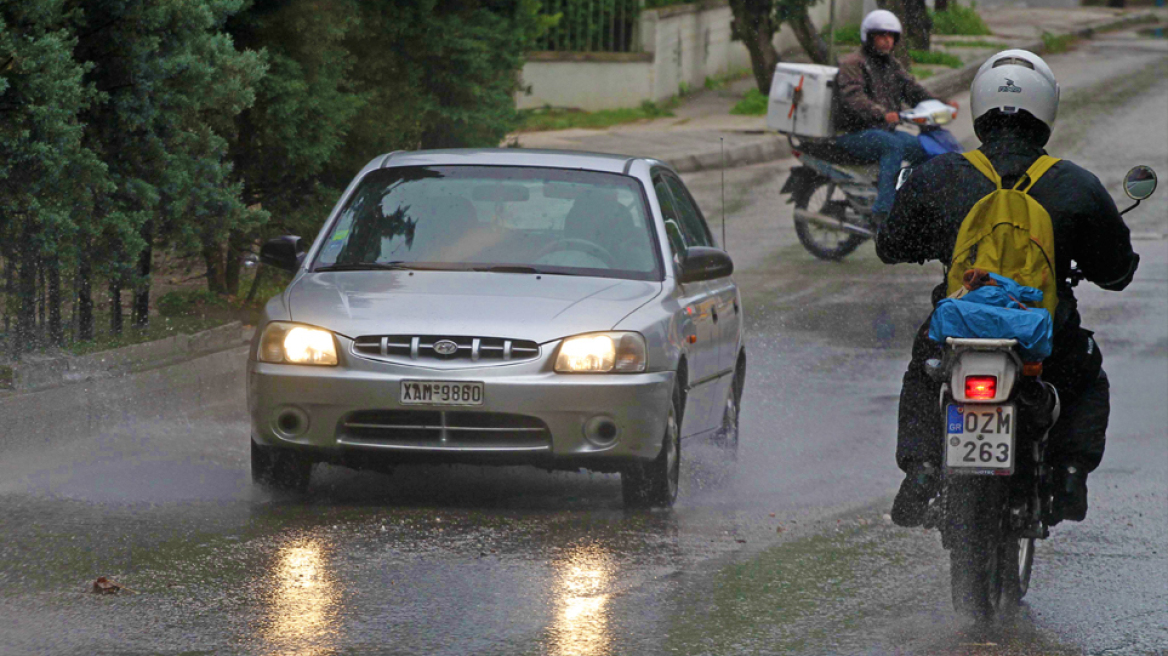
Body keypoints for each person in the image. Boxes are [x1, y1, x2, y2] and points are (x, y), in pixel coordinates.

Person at [876, 49, 1140, 527]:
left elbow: (890, 246)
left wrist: (932, 241)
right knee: (1085, 377)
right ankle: (1070, 477)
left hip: (957, 332)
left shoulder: (939, 177)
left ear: (979, 106)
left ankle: (921, 470)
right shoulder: (1075, 186)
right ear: (1047, 110)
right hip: (1045, 337)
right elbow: (1117, 271)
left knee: (924, 372)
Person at [833, 10, 956, 226]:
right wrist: (882, 113)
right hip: (853, 133)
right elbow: (854, 97)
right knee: (892, 146)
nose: (887, 40)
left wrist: (941, 102)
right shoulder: (853, 63)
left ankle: (913, 201)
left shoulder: (890, 64)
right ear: (869, 37)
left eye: (891, 36)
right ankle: (884, 212)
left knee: (923, 148)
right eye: (881, 35)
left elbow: (912, 89)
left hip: (881, 131)